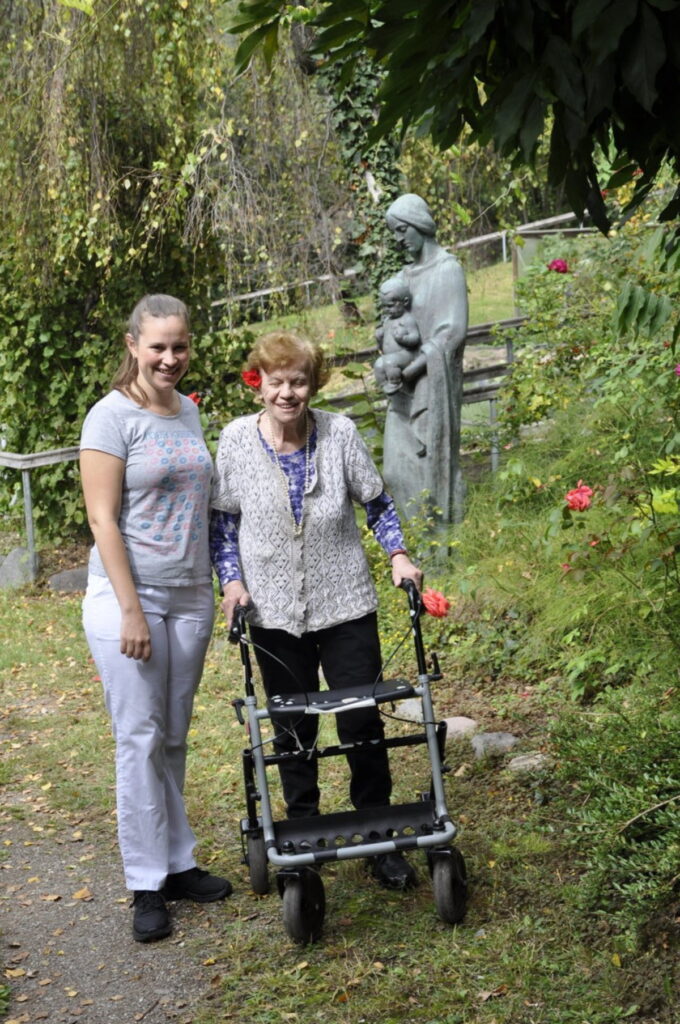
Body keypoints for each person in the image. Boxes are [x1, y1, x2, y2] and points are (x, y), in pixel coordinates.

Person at [210, 330, 424, 890]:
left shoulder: (339, 432)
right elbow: (223, 524)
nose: (288, 393)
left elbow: (377, 503)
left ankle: (379, 835)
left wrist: (399, 556)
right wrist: (232, 583)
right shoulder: (235, 440)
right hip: (273, 613)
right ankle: (302, 836)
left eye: (299, 381)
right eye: (277, 382)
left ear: (314, 384)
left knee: (361, 720)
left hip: (346, 604)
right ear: (258, 383)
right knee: (291, 728)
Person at [80, 294, 232, 944]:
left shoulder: (188, 411)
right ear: (133, 345)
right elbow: (101, 519)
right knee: (139, 738)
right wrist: (132, 610)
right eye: (158, 347)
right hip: (128, 598)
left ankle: (178, 864)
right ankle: (145, 883)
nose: (170, 358)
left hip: (190, 594)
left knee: (172, 737)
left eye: (179, 346)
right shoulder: (111, 417)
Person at [383, 193, 468, 522]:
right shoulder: (403, 278)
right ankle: (419, 538)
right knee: (395, 470)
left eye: (402, 229)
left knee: (432, 467)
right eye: (394, 231)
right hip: (402, 387)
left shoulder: (448, 269)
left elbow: (450, 334)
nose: (398, 238)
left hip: (433, 382)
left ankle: (445, 540)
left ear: (419, 224)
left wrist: (410, 370)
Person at [373, 277, 422, 398]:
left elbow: (415, 338)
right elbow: (383, 343)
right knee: (378, 364)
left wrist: (403, 339)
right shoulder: (387, 321)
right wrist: (379, 337)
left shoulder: (407, 319)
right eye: (384, 307)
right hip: (389, 357)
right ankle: (384, 385)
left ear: (405, 302)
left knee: (390, 362)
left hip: (406, 355)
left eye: (390, 306)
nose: (386, 310)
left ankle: (395, 383)